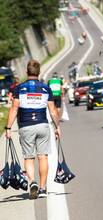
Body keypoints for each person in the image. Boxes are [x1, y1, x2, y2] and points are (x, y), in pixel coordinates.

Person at [5, 59, 61, 199]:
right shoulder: (45, 88)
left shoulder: (20, 88)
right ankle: (42, 189)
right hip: (42, 125)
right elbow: (53, 110)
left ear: (26, 72)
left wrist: (8, 127)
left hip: (26, 126)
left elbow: (14, 108)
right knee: (43, 157)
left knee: (29, 157)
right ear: (39, 72)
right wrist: (57, 126)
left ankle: (32, 182)